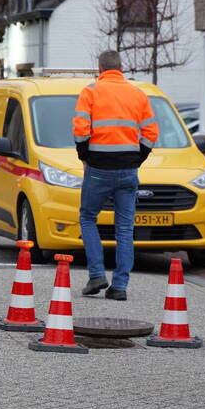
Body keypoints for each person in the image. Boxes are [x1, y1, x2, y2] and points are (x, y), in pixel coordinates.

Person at [73, 50, 158, 301]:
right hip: (128, 170)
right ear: (121, 68)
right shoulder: (138, 93)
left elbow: (80, 129)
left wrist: (85, 157)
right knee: (124, 228)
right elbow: (151, 132)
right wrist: (136, 159)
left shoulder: (90, 92)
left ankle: (97, 275)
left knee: (88, 218)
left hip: (99, 169)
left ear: (100, 69)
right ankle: (119, 287)